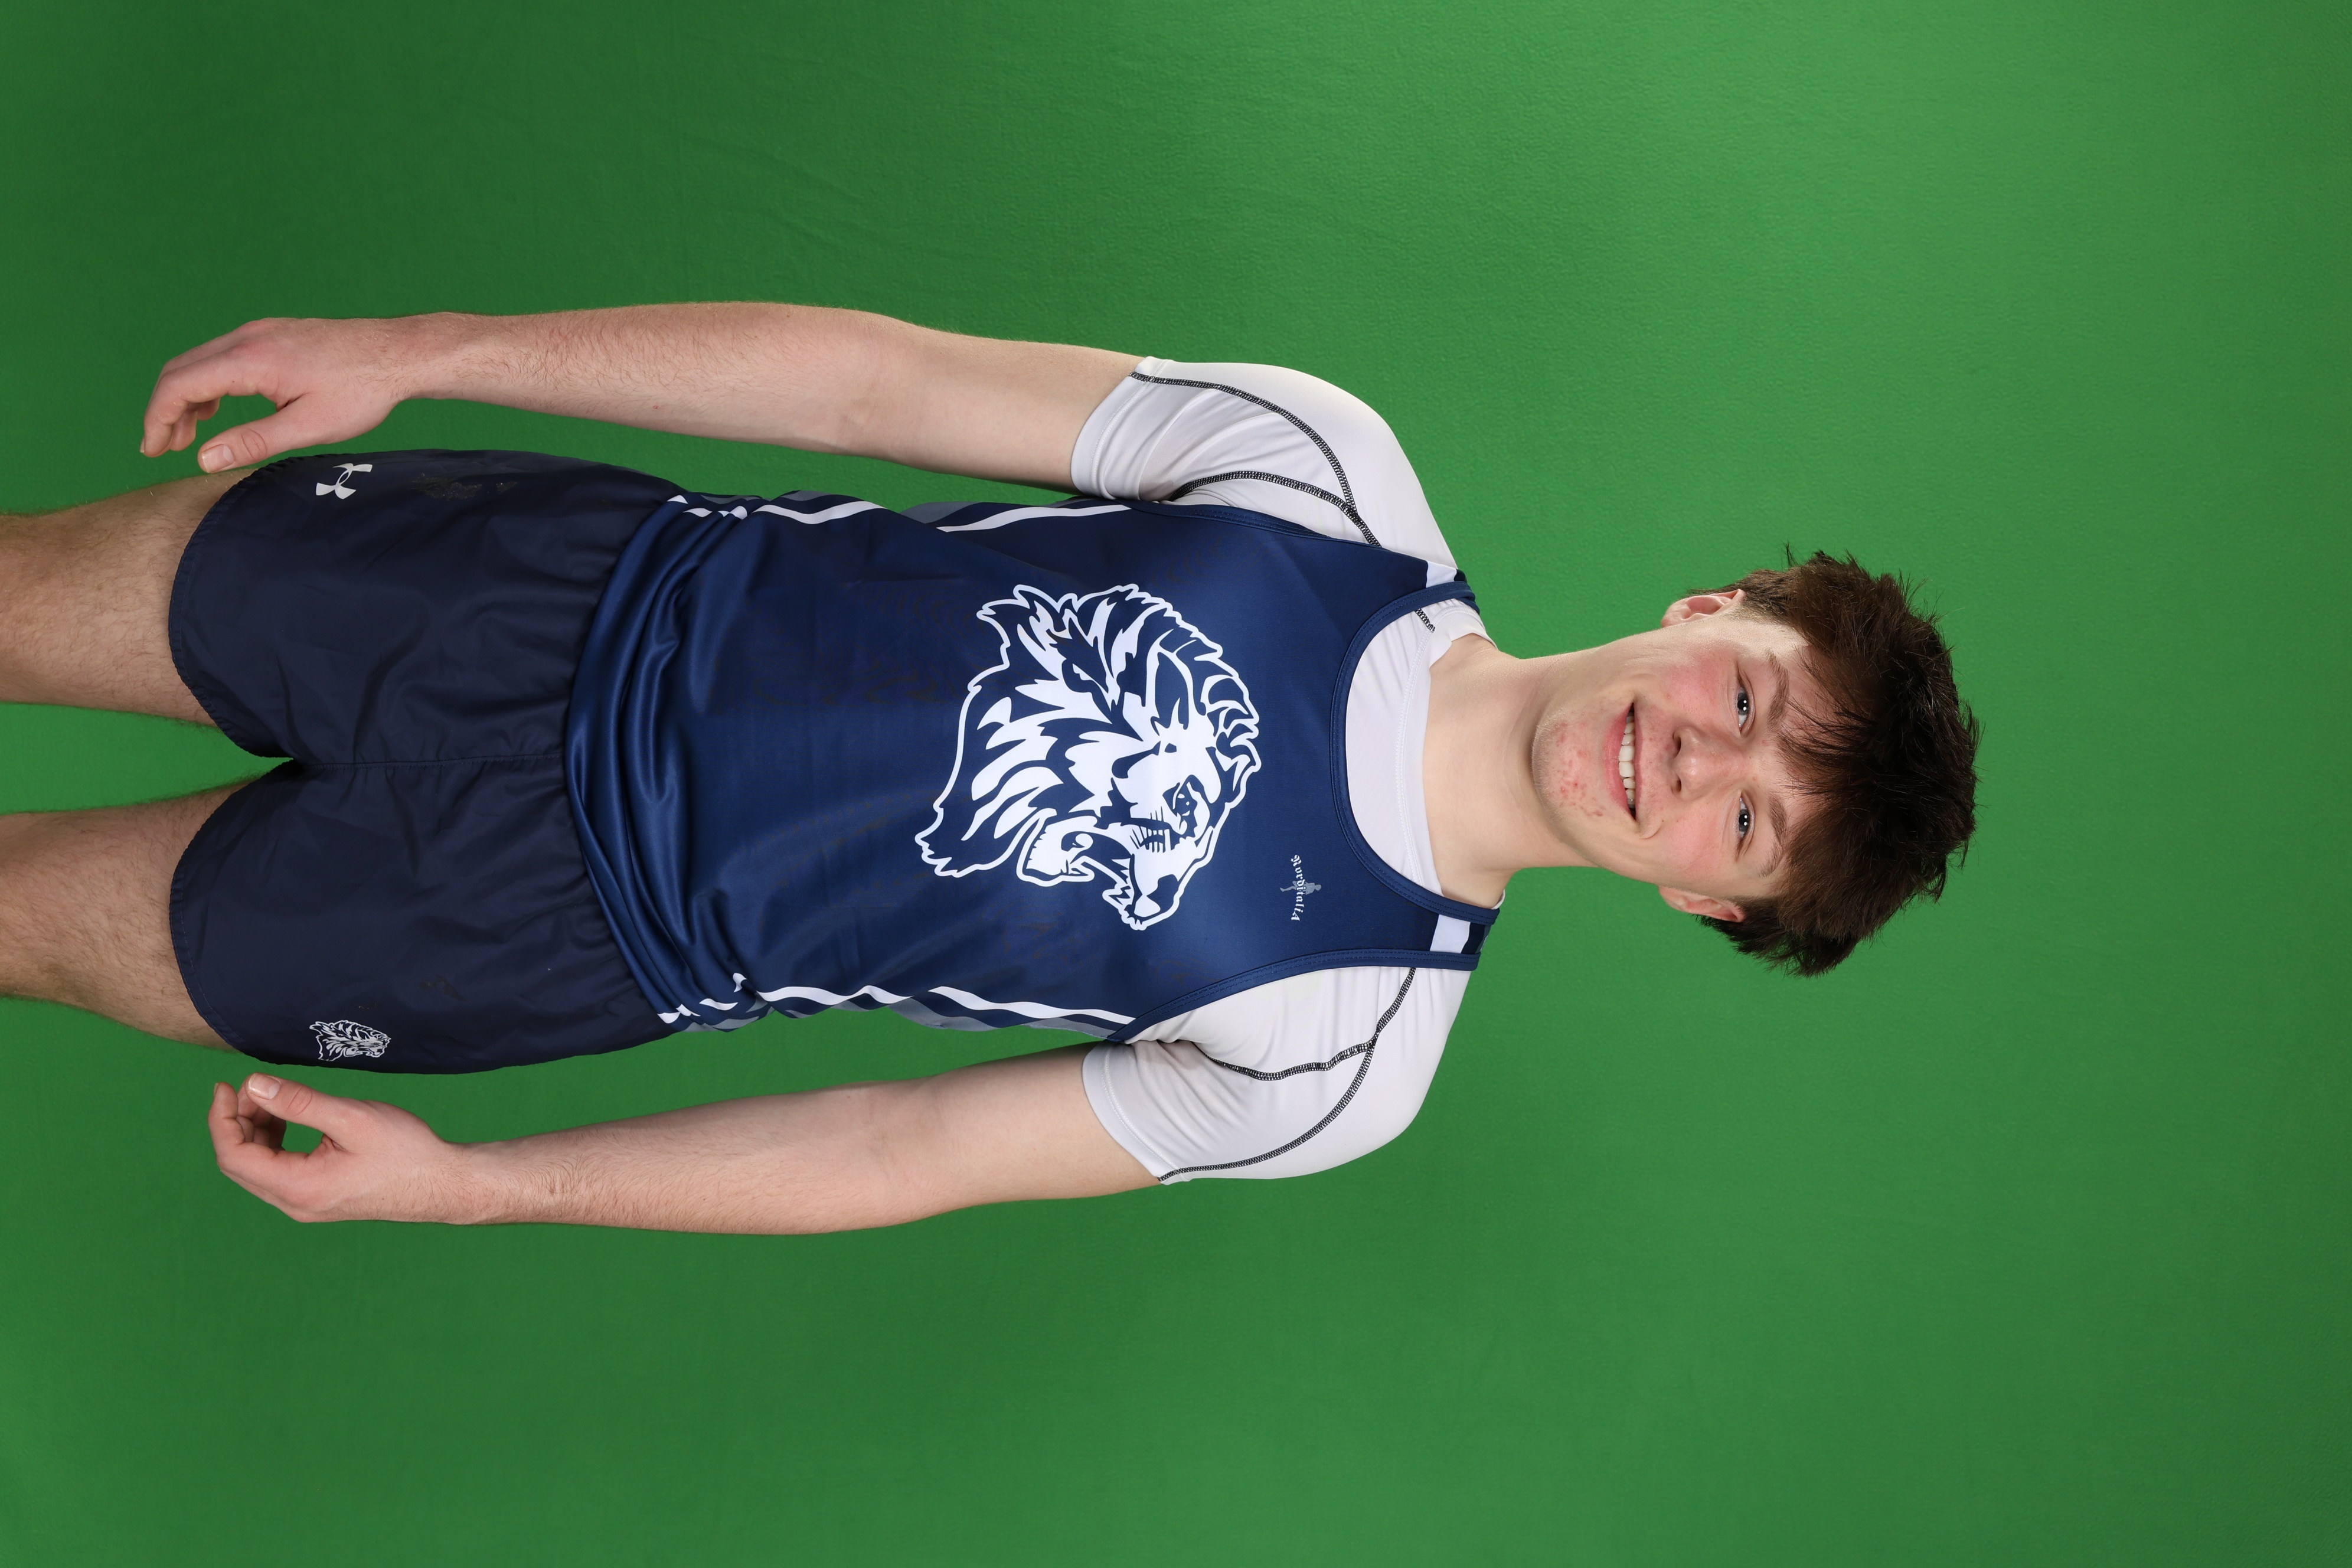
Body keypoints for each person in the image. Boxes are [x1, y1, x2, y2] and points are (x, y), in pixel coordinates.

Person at [2, 303, 1977, 1231]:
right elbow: (871, 381)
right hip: (539, 591)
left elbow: (900, 1150)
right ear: (1718, 608)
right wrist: (429, 350)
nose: (1690, 759)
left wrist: (485, 1192)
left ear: (1704, 895)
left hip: (534, 927)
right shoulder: (1331, 481)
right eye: (1748, 699)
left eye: (1745, 820)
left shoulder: (1345, 1058)